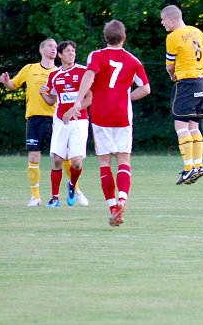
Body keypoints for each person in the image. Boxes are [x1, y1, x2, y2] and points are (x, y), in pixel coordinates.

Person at [64, 20, 150, 227]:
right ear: (124, 37)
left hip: (101, 115)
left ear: (105, 37)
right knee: (124, 161)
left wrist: (78, 101)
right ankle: (122, 200)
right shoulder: (133, 60)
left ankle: (112, 207)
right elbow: (146, 89)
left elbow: (89, 75)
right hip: (122, 116)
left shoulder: (96, 56)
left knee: (104, 163)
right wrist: (125, 97)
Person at [161, 5, 203, 186]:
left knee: (180, 125)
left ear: (172, 20)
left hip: (187, 83)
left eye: (163, 20)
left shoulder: (172, 37)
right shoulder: (196, 32)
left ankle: (189, 168)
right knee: (193, 126)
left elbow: (170, 66)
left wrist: (172, 75)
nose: (162, 23)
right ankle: (198, 164)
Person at [0, 39, 61, 207]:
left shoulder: (59, 72)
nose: (54, 49)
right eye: (50, 46)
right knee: (34, 156)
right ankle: (35, 196)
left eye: (56, 47)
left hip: (55, 119)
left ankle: (74, 190)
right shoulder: (30, 68)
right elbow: (13, 85)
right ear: (41, 50)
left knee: (61, 156)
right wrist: (6, 83)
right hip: (34, 119)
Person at [40, 41, 92, 207]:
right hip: (61, 121)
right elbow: (51, 100)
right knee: (57, 160)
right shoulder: (54, 76)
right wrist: (43, 94)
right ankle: (55, 198)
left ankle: (71, 185)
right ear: (60, 55)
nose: (71, 54)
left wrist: (74, 110)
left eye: (73, 51)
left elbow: (90, 98)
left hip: (80, 121)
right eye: (67, 51)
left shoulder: (84, 72)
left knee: (76, 162)